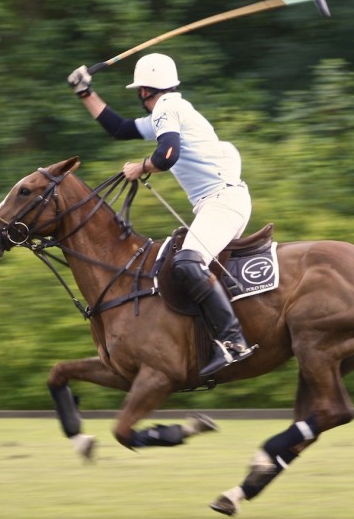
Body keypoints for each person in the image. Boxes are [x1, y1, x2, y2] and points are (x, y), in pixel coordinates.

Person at [67, 53, 256, 378]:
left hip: (223, 201)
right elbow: (120, 129)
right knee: (183, 264)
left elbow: (168, 154)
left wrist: (141, 167)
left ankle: (233, 341)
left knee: (187, 262)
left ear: (144, 91)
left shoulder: (166, 109)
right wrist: (85, 93)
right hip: (220, 201)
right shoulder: (171, 110)